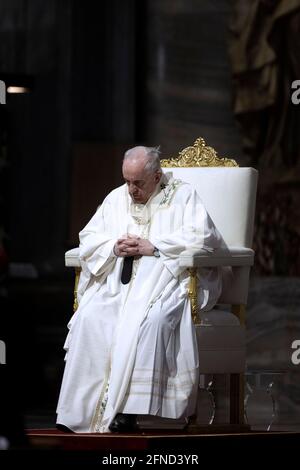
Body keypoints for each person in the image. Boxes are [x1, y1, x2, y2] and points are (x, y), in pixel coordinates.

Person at [56, 146, 223, 433]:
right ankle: (80, 411)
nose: (131, 190)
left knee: (149, 321)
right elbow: (90, 236)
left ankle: (130, 412)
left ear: (157, 176)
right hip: (118, 286)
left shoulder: (183, 196)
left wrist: (154, 245)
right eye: (127, 181)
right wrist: (113, 246)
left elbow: (203, 236)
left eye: (138, 183)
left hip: (165, 282)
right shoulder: (117, 197)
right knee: (90, 317)